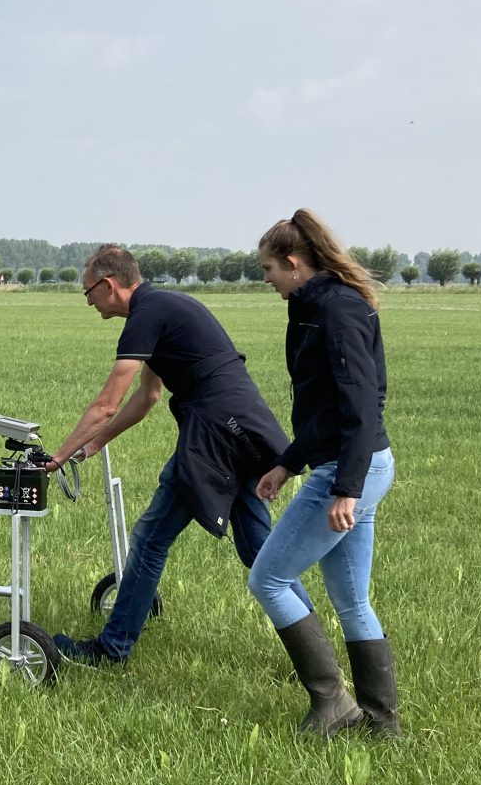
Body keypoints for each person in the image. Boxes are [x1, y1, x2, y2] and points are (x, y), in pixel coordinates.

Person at [44, 244, 310, 666]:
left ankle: (111, 650)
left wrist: (58, 455)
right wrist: (94, 445)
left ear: (108, 285)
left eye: (88, 292)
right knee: (261, 552)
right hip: (244, 429)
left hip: (214, 436)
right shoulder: (162, 308)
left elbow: (107, 404)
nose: (89, 302)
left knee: (150, 539)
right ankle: (318, 659)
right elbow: (147, 398)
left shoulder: (147, 315)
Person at [248, 209, 399, 738]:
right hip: (355, 463)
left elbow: (361, 403)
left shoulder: (336, 312)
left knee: (268, 578)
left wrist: (345, 489)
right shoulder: (316, 306)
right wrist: (288, 462)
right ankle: (381, 723)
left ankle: (333, 703)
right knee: (352, 600)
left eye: (268, 268)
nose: (266, 279)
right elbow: (323, 408)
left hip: (348, 468)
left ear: (293, 263)